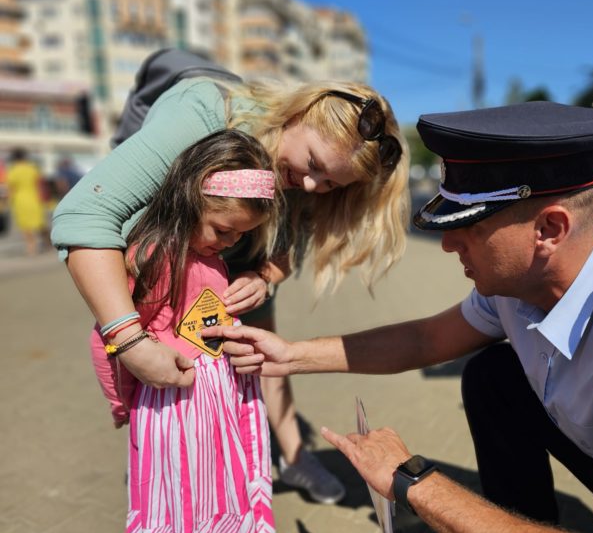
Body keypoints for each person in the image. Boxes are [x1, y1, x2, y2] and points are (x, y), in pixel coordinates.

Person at [206, 102, 593, 533]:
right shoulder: (527, 280)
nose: (448, 242)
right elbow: (426, 339)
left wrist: (412, 482)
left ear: (549, 228)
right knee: (495, 374)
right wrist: (289, 354)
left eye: (468, 225)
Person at [51, 74, 409, 504]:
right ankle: (178, 469)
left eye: (331, 184)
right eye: (313, 164)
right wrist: (129, 340)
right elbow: (85, 214)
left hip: (238, 272)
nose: (312, 186)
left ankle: (290, 456)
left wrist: (264, 278)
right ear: (297, 113)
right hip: (168, 265)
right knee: (170, 369)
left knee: (263, 357)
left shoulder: (302, 180)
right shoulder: (199, 115)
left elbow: (289, 246)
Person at [90, 129, 278, 533]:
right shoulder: (156, 258)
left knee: (219, 492)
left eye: (241, 235)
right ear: (192, 197)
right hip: (177, 409)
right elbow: (108, 340)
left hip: (217, 404)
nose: (230, 243)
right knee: (182, 501)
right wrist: (121, 404)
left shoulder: (205, 254)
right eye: (224, 230)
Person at [6, 148, 49, 255]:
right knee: (40, 223)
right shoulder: (33, 168)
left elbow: (11, 188)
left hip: (20, 200)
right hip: (34, 198)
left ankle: (31, 247)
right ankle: (48, 241)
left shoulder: (13, 170)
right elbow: (40, 184)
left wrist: (8, 201)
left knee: (25, 225)